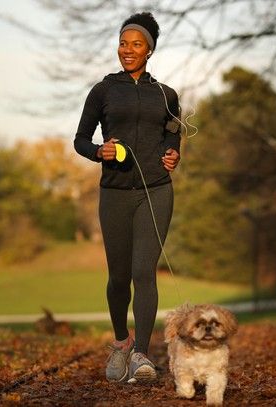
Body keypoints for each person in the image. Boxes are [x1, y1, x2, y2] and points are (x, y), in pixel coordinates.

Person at [73, 11, 181, 383]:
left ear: (149, 50)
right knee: (119, 277)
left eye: (136, 44)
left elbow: (172, 136)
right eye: (123, 43)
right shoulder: (103, 91)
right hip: (115, 194)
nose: (127, 50)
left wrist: (173, 152)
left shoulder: (166, 95)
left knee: (142, 272)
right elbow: (80, 139)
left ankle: (142, 355)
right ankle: (121, 342)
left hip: (155, 191)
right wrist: (98, 152)